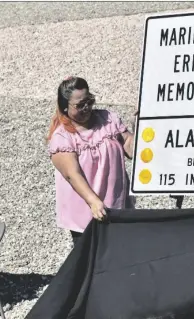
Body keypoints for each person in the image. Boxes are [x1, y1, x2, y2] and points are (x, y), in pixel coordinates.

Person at [46, 76, 137, 246]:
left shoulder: (108, 120)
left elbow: (131, 150)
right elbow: (72, 174)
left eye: (89, 101)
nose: (86, 108)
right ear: (65, 107)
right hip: (87, 214)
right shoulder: (62, 137)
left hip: (117, 206)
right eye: (80, 105)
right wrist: (94, 202)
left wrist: (139, 126)